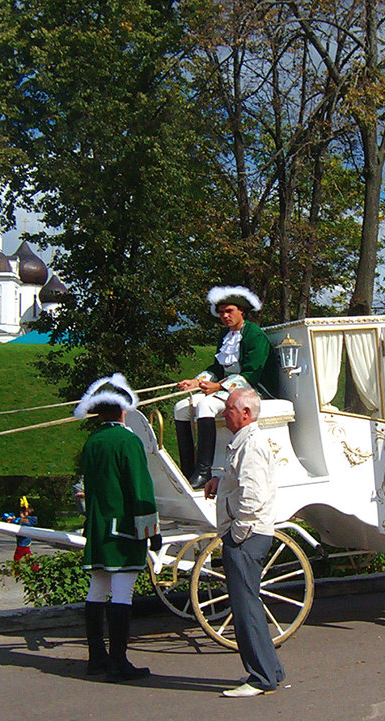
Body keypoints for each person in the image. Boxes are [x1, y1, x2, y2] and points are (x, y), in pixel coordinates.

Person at [75, 374, 160, 682]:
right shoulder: (128, 440)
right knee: (122, 594)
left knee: (96, 590)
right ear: (124, 410)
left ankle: (96, 658)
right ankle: (118, 661)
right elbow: (140, 489)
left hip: (96, 528)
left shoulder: (92, 441)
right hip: (123, 531)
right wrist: (152, 531)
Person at [203, 388, 285, 698]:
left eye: (229, 409)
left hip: (247, 536)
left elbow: (253, 495)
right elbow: (241, 483)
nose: (224, 414)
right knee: (249, 603)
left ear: (246, 414)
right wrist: (219, 482)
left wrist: (237, 533)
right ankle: (270, 670)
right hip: (248, 533)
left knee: (245, 606)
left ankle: (261, 677)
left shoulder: (250, 445)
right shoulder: (244, 442)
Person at [175, 286, 279, 489]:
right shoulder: (225, 335)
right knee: (180, 407)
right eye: (221, 312)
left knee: (206, 405)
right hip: (224, 389)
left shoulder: (254, 334)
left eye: (229, 311)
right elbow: (217, 367)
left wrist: (218, 386)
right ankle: (188, 470)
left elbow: (252, 373)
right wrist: (196, 382)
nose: (224, 316)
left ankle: (205, 471)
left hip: (251, 390)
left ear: (241, 311)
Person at [2, 497, 38, 562]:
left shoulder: (27, 520)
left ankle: (17, 571)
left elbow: (22, 521)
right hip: (24, 542)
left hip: (23, 543)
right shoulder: (25, 520)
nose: (20, 514)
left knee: (17, 558)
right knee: (28, 557)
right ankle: (35, 569)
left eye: (22, 512)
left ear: (26, 513)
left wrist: (13, 520)